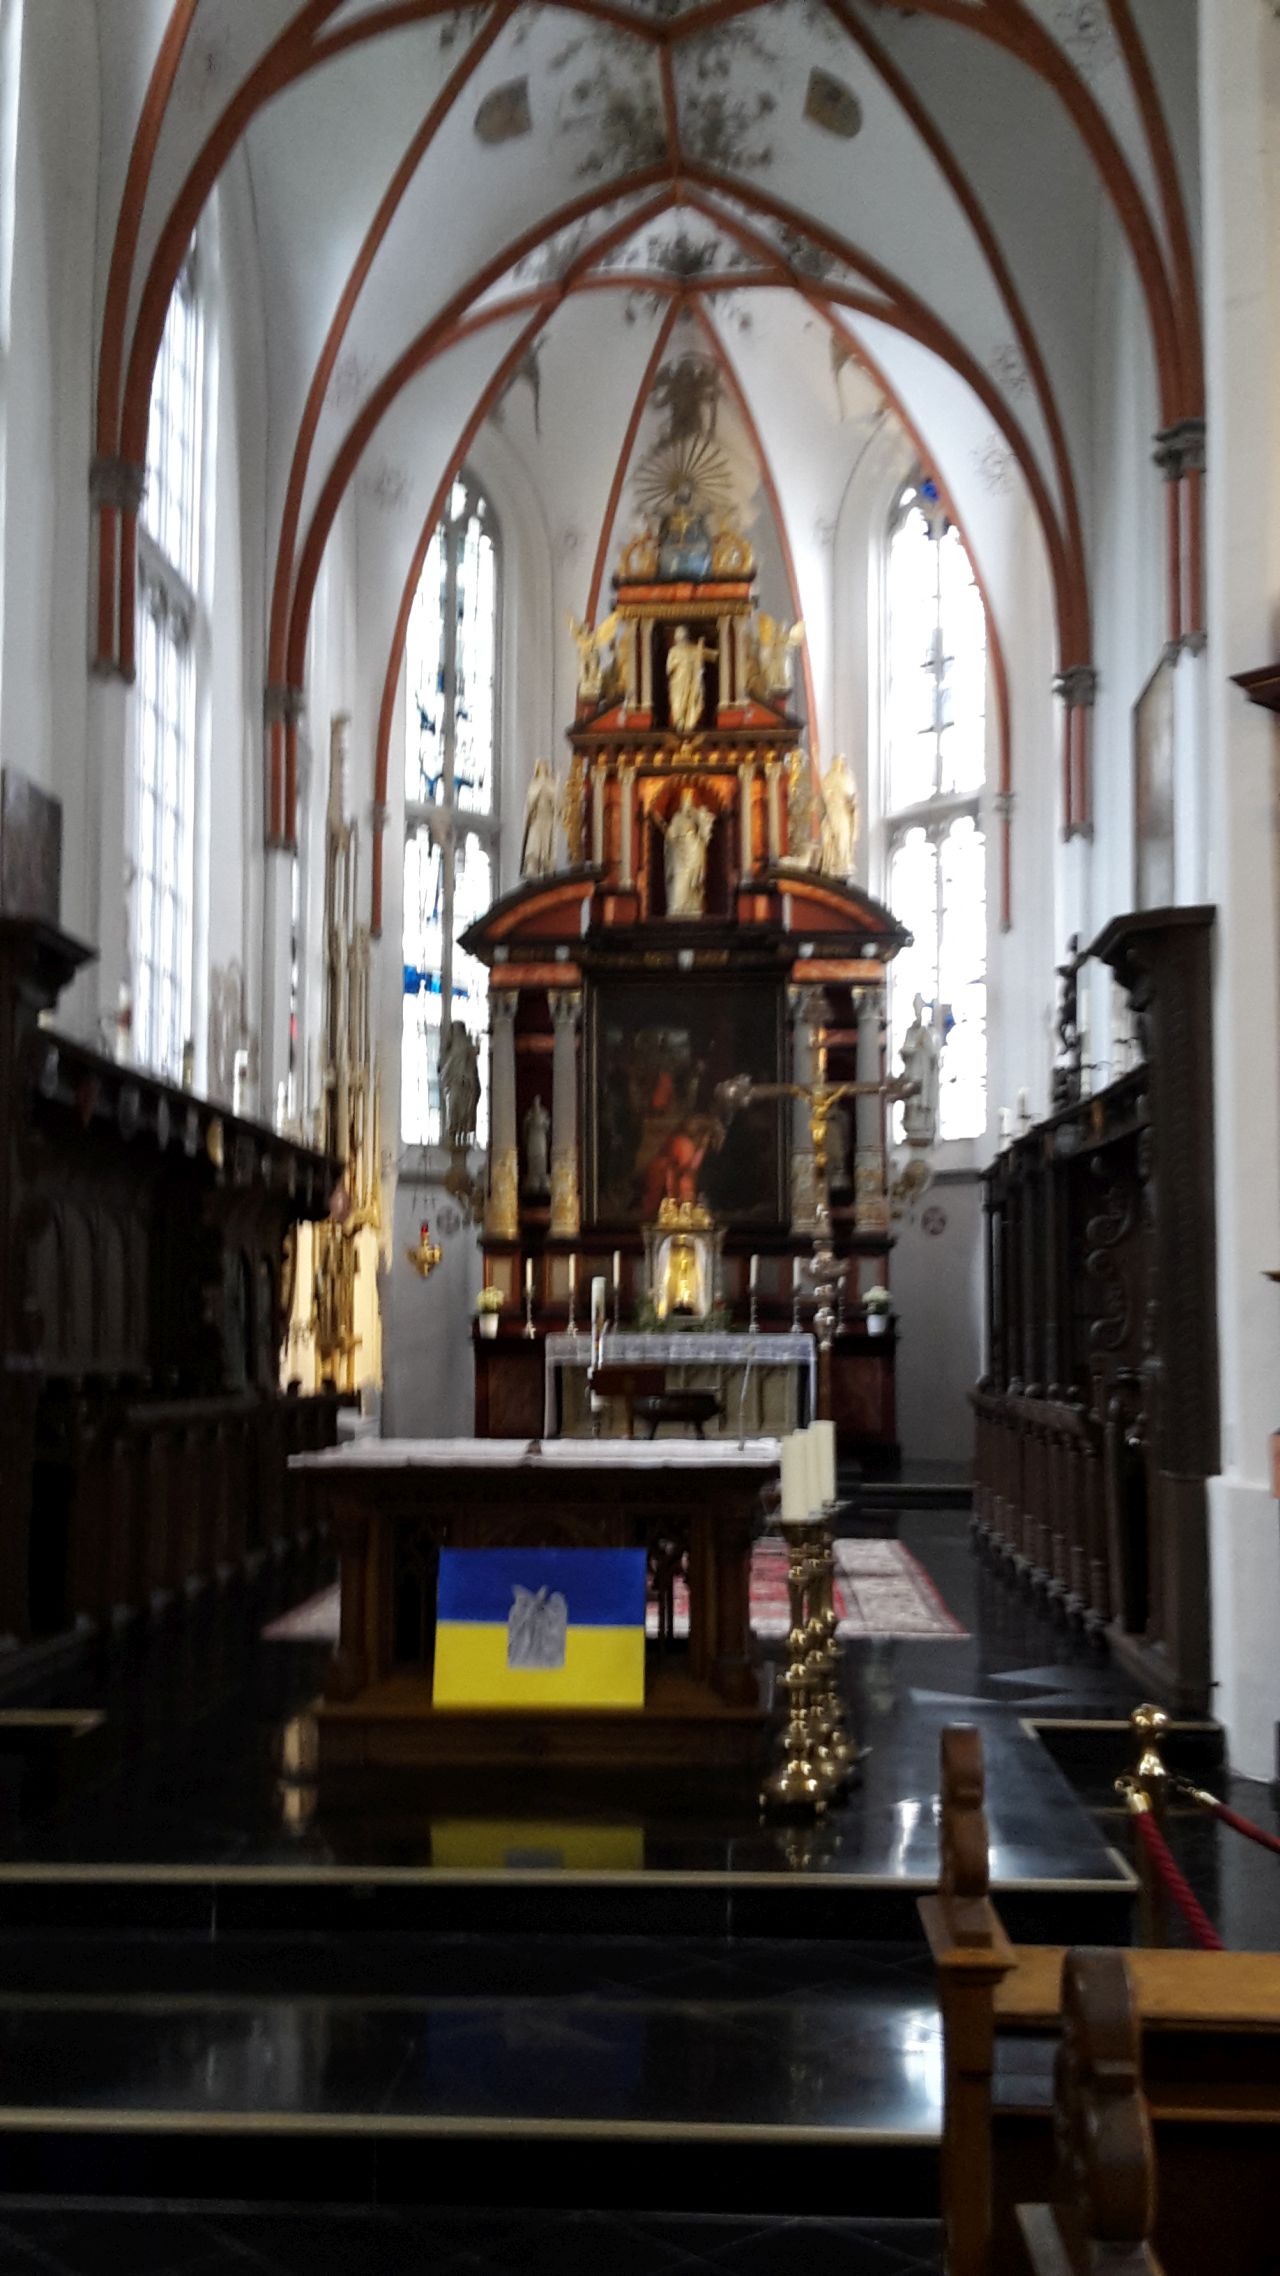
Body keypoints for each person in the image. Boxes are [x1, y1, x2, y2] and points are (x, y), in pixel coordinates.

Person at [654, 787, 714, 916]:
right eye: (684, 800)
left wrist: (701, 817)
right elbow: (671, 834)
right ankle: (676, 907)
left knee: (693, 883)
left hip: (693, 850)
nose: (686, 802)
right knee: (679, 879)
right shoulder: (677, 818)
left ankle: (693, 907)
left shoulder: (694, 817)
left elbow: (704, 831)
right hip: (678, 853)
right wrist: (663, 825)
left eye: (689, 800)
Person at [900, 994, 942, 1146]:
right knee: (913, 1100)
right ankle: (914, 1126)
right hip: (913, 1072)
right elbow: (905, 1049)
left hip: (925, 1074)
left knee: (924, 1100)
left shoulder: (930, 1032)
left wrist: (924, 1044)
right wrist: (911, 1049)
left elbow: (934, 1054)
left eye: (919, 1009)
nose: (917, 1013)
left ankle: (926, 1125)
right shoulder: (910, 1031)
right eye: (915, 1009)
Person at [665, 624, 716, 733]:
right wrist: (681, 663)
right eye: (679, 635)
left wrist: (701, 646)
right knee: (679, 702)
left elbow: (713, 656)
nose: (680, 637)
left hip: (692, 681)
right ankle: (680, 723)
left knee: (693, 700)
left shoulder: (693, 649)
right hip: (678, 683)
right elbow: (669, 668)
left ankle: (690, 723)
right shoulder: (674, 651)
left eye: (682, 635)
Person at [440, 1021, 480, 1149]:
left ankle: (462, 1136)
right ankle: (453, 1135)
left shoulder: (467, 1044)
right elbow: (445, 1065)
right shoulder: (452, 1048)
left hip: (465, 1083)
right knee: (453, 1109)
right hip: (454, 1083)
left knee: (463, 1111)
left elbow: (473, 1060)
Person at [818, 753, 859, 878]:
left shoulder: (848, 778)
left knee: (844, 838)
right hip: (833, 811)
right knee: (833, 838)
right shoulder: (828, 778)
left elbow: (852, 798)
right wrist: (828, 799)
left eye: (841, 761)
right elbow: (824, 798)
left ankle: (843, 863)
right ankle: (833, 863)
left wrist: (852, 805)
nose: (839, 763)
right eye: (836, 761)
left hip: (844, 813)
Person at [520, 760, 557, 878]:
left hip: (547, 817)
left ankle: (545, 865)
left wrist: (550, 792)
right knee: (534, 841)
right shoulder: (533, 784)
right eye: (540, 767)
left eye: (544, 767)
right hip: (536, 817)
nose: (542, 769)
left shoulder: (551, 783)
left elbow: (556, 802)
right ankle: (532, 866)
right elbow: (529, 802)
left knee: (546, 842)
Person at [522, 1096, 550, 1195]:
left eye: (537, 1101)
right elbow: (525, 1129)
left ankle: (542, 1179)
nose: (536, 1103)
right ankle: (533, 1180)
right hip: (532, 1139)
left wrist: (542, 1123)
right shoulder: (530, 1114)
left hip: (541, 1139)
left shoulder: (543, 1113)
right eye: (535, 1101)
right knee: (533, 1158)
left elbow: (547, 1127)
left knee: (541, 1158)